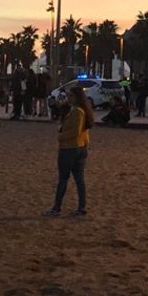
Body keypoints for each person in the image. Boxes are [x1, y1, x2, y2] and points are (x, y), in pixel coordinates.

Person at [44, 84, 94, 217]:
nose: (68, 98)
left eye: (70, 96)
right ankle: (81, 207)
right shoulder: (81, 110)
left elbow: (75, 131)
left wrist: (61, 136)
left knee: (63, 179)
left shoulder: (77, 111)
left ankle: (56, 208)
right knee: (79, 179)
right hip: (80, 146)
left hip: (70, 147)